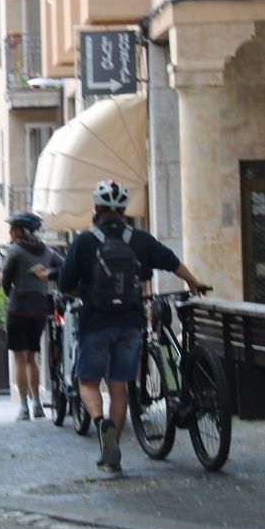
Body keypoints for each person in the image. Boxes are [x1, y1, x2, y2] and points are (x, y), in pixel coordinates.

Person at [59, 179, 205, 472]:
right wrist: (193, 281)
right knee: (120, 387)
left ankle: (102, 426)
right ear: (124, 209)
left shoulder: (85, 241)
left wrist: (85, 294)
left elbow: (65, 286)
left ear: (97, 208)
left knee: (87, 382)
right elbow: (171, 260)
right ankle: (113, 448)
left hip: (95, 323)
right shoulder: (140, 239)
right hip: (131, 322)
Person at [0, 212, 62, 420]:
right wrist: (47, 273)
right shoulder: (46, 250)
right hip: (40, 308)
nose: (10, 232)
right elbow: (63, 265)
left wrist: (10, 292)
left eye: (13, 228)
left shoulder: (15, 250)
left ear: (21, 230)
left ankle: (24, 406)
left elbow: (5, 278)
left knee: (19, 357)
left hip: (19, 307)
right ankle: (37, 404)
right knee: (31, 358)